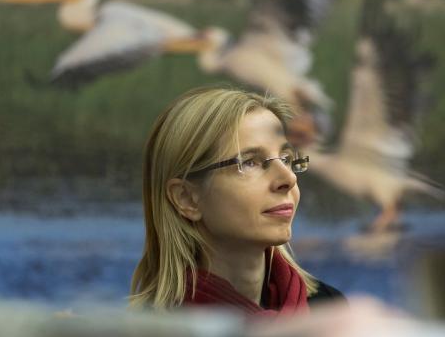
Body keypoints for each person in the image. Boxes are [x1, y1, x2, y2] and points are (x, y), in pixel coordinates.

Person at [130, 87, 342, 313]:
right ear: (187, 198)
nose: (288, 178)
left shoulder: (329, 308)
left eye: (287, 158)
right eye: (250, 162)